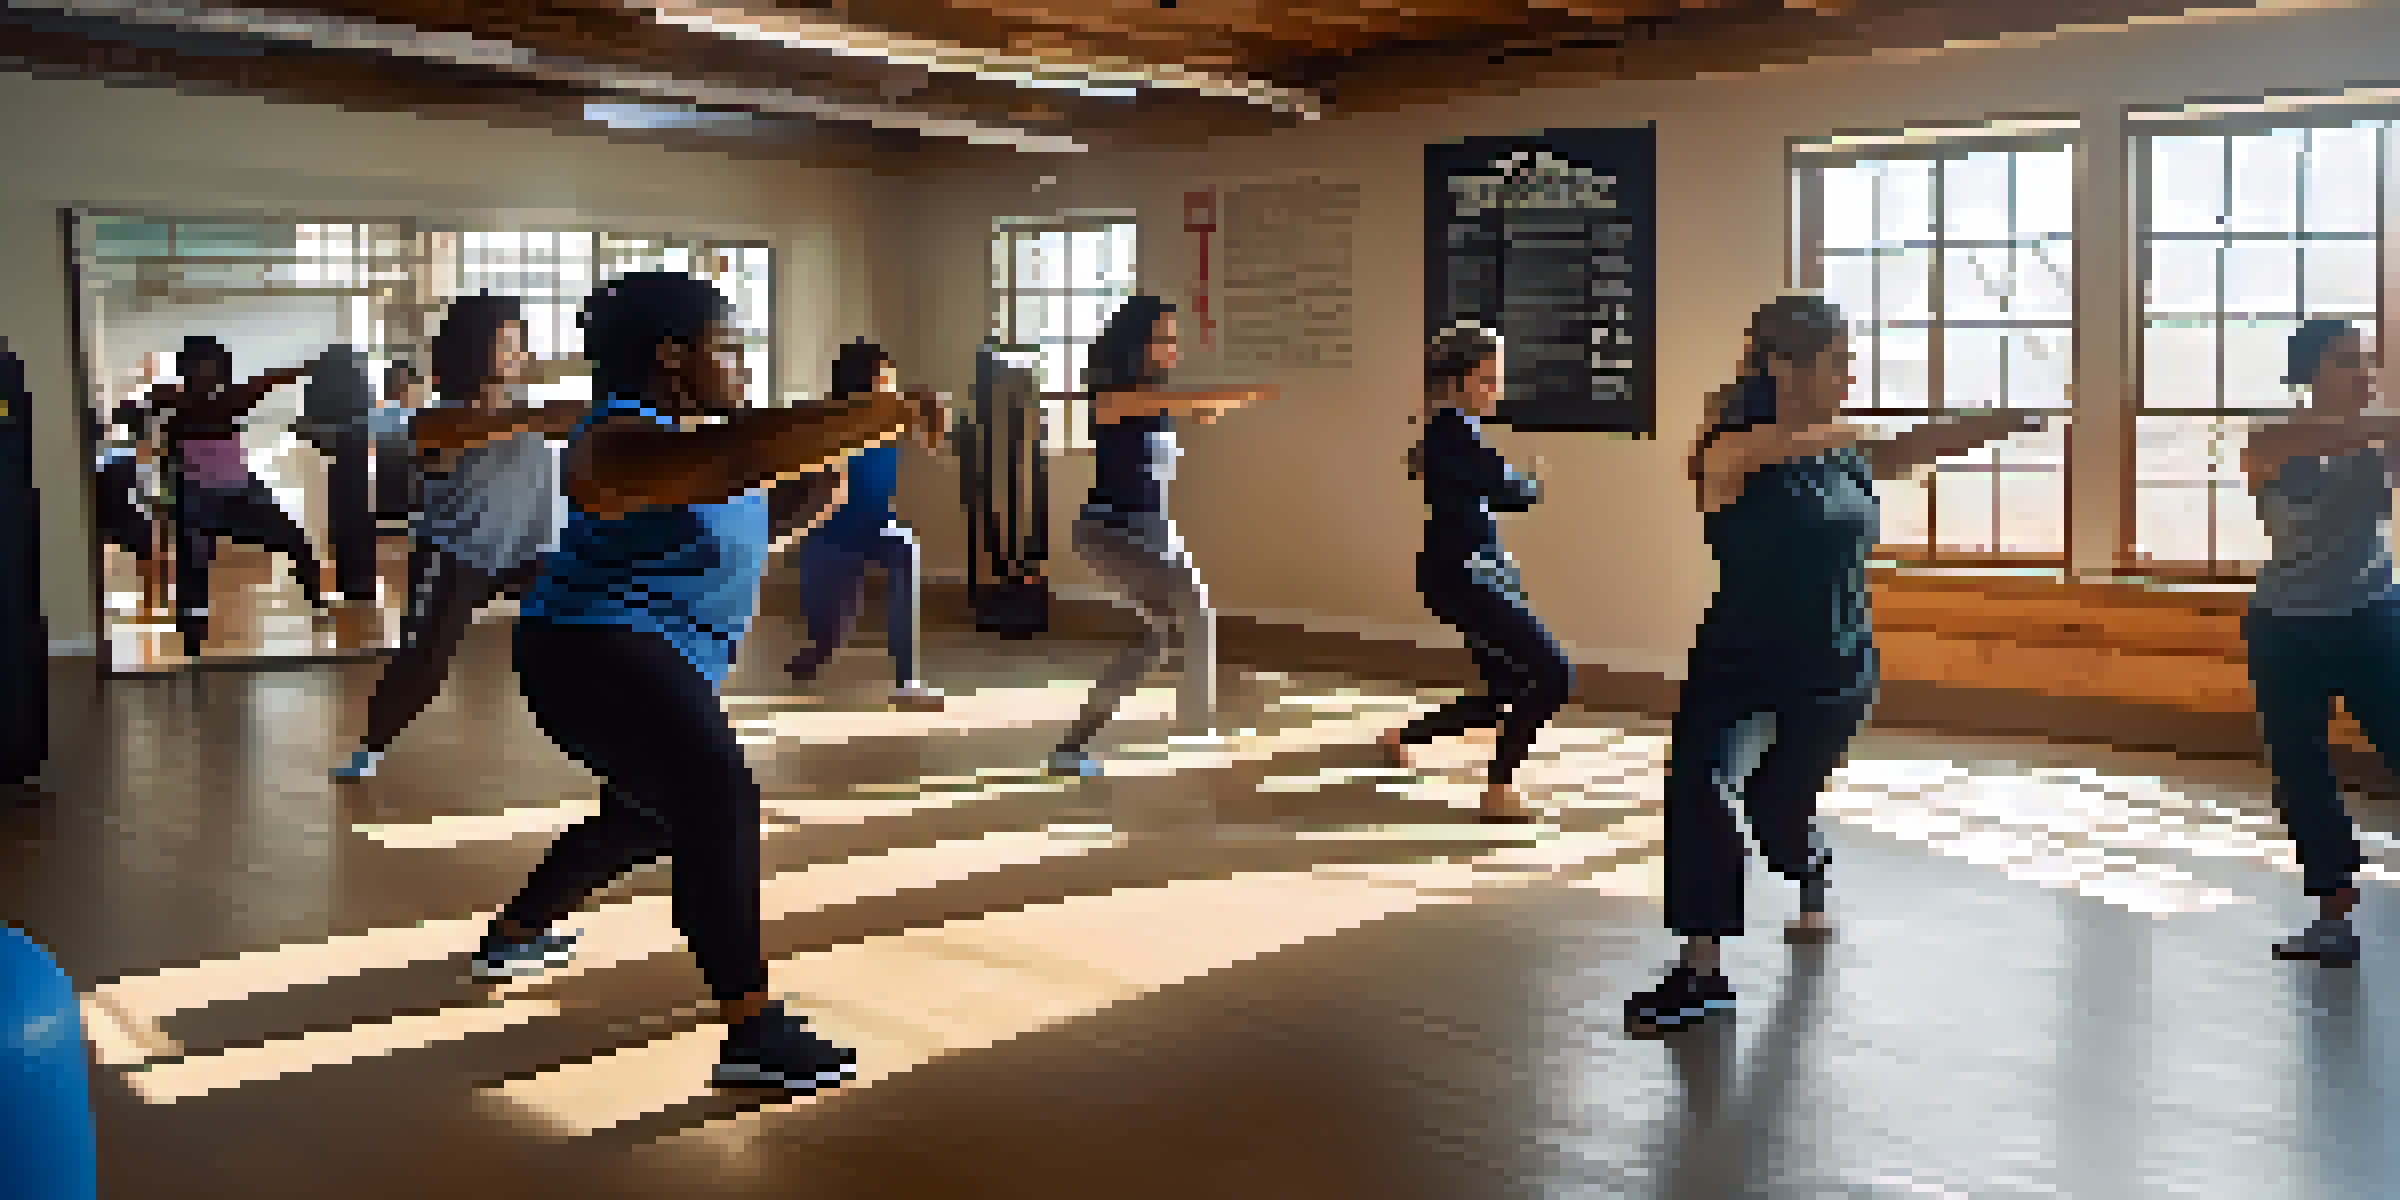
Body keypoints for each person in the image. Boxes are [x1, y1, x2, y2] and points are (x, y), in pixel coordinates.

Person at [470, 271, 927, 1093]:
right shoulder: (614, 434)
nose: (742, 365)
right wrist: (862, 417)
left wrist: (813, 498)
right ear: (672, 356)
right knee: (718, 797)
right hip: (591, 648)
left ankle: (517, 930)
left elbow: (732, 525)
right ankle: (751, 1027)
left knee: (647, 819)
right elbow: (712, 464)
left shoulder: (700, 436)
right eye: (729, 346)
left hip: (646, 654)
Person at [1624, 293, 2048, 1036]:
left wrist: (1984, 429)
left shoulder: (1839, 450)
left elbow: (1899, 453)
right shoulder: (1729, 450)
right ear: (1784, 366)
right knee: (1701, 787)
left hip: (1835, 664)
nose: (1848, 376)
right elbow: (1766, 450)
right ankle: (1700, 970)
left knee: (1776, 810)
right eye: (1837, 363)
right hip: (1740, 659)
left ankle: (1809, 867)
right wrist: (1838, 432)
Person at [332, 295, 578, 780]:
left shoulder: (527, 410)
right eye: (504, 344)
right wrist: (538, 415)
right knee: (424, 663)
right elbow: (447, 444)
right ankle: (369, 748)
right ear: (471, 351)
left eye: (520, 344)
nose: (517, 354)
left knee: (592, 635)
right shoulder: (436, 417)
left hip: (532, 550)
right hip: (455, 553)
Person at [1048, 296, 1273, 777]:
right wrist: (1247, 392)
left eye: (1175, 339)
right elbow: (1186, 402)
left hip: (1154, 530)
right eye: (1164, 339)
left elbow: (1196, 409)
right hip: (1110, 529)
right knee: (1196, 609)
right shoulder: (1113, 396)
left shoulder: (1155, 401)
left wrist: (1219, 405)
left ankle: (1072, 747)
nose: (1174, 349)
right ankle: (1196, 730)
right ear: (1137, 344)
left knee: (1157, 638)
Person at [2239, 319, 2400, 968]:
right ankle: (2333, 917)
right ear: (2308, 373)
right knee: (2302, 772)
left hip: (2370, 614)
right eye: (2344, 362)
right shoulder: (2273, 435)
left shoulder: (2383, 438)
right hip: (2286, 626)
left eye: (2366, 361)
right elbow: (2302, 444)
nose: (2362, 373)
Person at [1378, 324, 1571, 823]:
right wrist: (1533, 480)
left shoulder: (1457, 429)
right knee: (1552, 675)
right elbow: (1515, 491)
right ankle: (1498, 789)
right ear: (1458, 381)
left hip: (1471, 570)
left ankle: (1401, 737)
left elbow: (1499, 488)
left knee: (1505, 691)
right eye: (1487, 380)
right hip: (1463, 576)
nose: (1496, 390)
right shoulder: (1452, 433)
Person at [784, 339, 950, 710]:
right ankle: (816, 652)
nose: (890, 384)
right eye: (882, 378)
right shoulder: (827, 420)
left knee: (906, 550)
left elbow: (935, 435)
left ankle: (907, 681)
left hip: (877, 529)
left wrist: (932, 405)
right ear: (860, 383)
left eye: (891, 377)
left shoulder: (894, 416)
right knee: (827, 639)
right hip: (828, 538)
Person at [149, 336, 323, 657]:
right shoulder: (177, 403)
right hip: (197, 495)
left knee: (294, 538)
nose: (205, 378)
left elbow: (270, 380)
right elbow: (136, 418)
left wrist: (308, 367)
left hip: (241, 492)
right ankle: (191, 638)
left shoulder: (230, 399)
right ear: (188, 372)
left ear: (220, 372)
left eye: (211, 371)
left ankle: (317, 599)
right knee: (193, 564)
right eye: (199, 371)